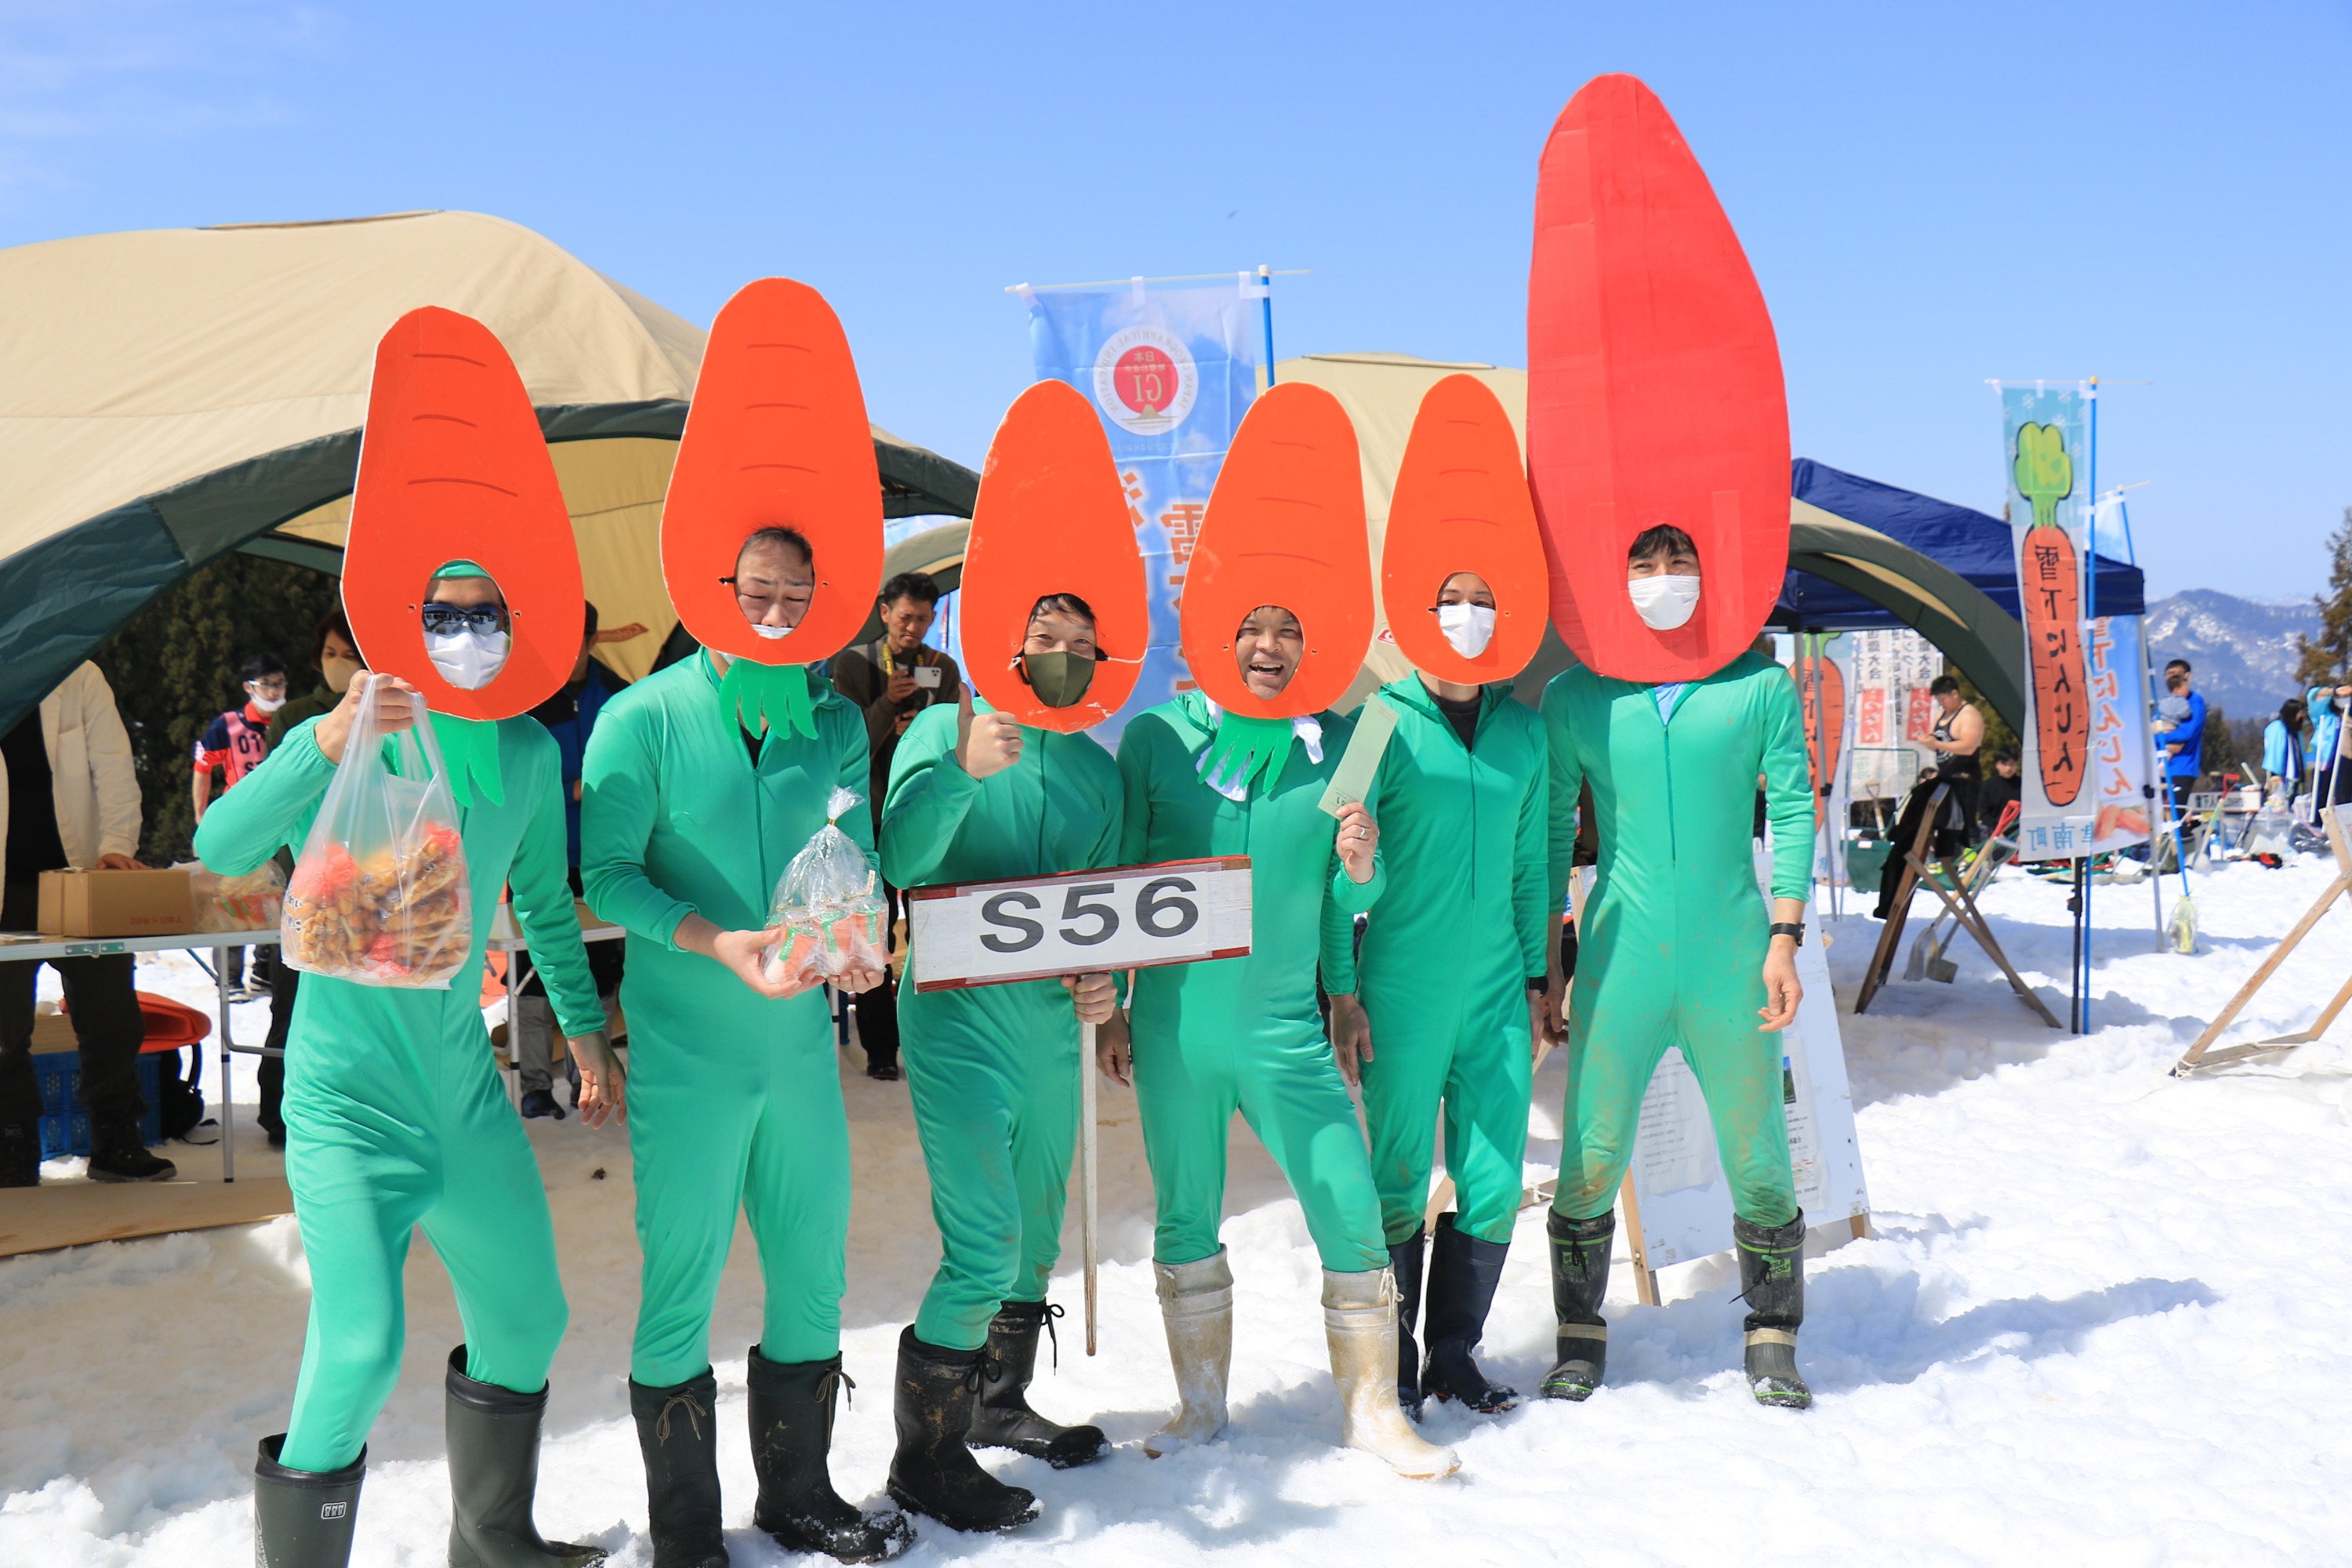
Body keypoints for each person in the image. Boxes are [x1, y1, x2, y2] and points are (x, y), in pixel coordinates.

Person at [195, 563, 619, 1567]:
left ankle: (493, 1543)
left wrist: (586, 1027)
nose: (465, 631)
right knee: (359, 1346)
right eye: (443, 613)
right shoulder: (352, 732)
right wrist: (322, 741)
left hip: (462, 1095)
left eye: (486, 614)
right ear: (404, 621)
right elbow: (221, 845)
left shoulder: (521, 749)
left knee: (528, 1317)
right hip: (348, 1100)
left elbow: (543, 903)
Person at [583, 527, 910, 1566]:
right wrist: (714, 941)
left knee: (814, 1271)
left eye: (795, 592)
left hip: (802, 1052)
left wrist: (859, 944)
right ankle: (684, 1529)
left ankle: (799, 1494)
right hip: (690, 1054)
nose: (775, 607)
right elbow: (607, 876)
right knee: (681, 1282)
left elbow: (848, 864)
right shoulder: (644, 718)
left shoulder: (830, 722)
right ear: (716, 590)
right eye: (756, 588)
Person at [1102, 604, 1460, 1480]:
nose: (1267, 646)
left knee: (1348, 1196)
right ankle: (1198, 1406)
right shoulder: (1158, 735)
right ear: (1216, 637)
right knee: (1186, 1208)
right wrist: (1111, 1004)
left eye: (1290, 629)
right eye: (1250, 626)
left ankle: (1374, 1409)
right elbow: (1116, 883)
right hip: (1174, 1023)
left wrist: (1361, 867)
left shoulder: (1352, 742)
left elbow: (1343, 897)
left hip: (1283, 1029)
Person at [1539, 524, 1816, 1410]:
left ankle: (1773, 1335)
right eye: (1643, 565)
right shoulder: (1576, 696)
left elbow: (1797, 807)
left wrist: (1784, 935)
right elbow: (1551, 827)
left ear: (1713, 571)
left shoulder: (1759, 685)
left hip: (1731, 951)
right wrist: (1551, 956)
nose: (1662, 579)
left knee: (1757, 1148)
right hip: (1620, 951)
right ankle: (1579, 1334)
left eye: (1680, 561)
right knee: (1588, 1148)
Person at [878, 593, 1121, 1532]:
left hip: (1051, 1033)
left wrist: (1108, 993)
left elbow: (1105, 914)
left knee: (1034, 1236)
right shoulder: (946, 724)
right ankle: (925, 1455)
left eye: (1080, 645)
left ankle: (994, 1400)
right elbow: (901, 857)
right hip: (955, 1024)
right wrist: (957, 770)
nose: (1062, 656)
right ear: (1006, 645)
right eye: (1044, 640)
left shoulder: (1097, 776)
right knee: (982, 1242)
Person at [1337, 569, 1548, 1417]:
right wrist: (1344, 989)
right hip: (1400, 982)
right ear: (1419, 618)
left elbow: (1534, 867)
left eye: (1484, 600)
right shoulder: (1372, 723)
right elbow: (1339, 876)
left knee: (1493, 1176)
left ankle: (1455, 1354)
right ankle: (1392, 1360)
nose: (1467, 615)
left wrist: (1539, 979)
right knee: (1394, 1175)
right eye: (1452, 597)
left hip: (1498, 986)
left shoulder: (1525, 731)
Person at [0, 663, 172, 1186]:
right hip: (5, 885)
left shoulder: (77, 670)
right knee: (3, 1028)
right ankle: (12, 1141)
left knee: (113, 1018)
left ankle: (117, 1137)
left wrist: (117, 847)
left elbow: (115, 766)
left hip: (82, 877)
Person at [826, 572, 962, 1080]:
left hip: (927, 822)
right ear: (884, 612)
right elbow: (845, 743)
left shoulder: (942, 668)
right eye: (904, 617)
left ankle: (941, 1037)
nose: (913, 628)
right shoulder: (854, 664)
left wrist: (921, 728)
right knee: (874, 937)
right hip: (870, 823)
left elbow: (952, 739)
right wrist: (887, 706)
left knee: (938, 932)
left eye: (923, 619)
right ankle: (882, 1049)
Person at [256, 612, 366, 1148]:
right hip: (309, 885)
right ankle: (277, 1112)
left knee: (356, 1005)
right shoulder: (299, 717)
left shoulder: (394, 714)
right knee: (293, 997)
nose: (337, 663)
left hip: (374, 889)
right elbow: (278, 799)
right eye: (329, 653)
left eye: (348, 653)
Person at [514, 601, 626, 1121]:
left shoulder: (622, 698)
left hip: (604, 859)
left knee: (602, 972)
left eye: (573, 640)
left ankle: (589, 1077)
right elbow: (512, 782)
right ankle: (534, 1084)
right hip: (538, 860)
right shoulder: (525, 701)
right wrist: (569, 790)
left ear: (591, 639)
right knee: (534, 974)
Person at [194, 653, 290, 1003]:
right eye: (268, 684)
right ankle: (230, 978)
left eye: (280, 682)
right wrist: (201, 818)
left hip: (284, 821)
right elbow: (202, 767)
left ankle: (265, 972)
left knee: (278, 899)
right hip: (243, 823)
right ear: (249, 688)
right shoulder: (227, 725)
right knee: (233, 901)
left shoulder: (292, 719)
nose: (276, 690)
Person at [1874, 672, 1980, 913]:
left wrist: (1938, 744)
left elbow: (1968, 745)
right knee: (1918, 799)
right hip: (1945, 778)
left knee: (1924, 801)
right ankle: (1904, 837)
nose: (1940, 704)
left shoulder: (1969, 714)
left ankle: (1924, 841)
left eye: (1943, 698)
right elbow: (1935, 737)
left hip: (1963, 781)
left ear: (1954, 694)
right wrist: (1929, 739)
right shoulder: (1943, 715)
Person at [2155, 660, 2208, 826]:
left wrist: (2160, 736)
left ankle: (2184, 843)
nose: (2173, 678)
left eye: (2177, 674)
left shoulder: (2194, 702)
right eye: (2169, 675)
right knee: (2159, 815)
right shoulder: (2164, 703)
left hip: (2182, 767)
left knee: (2176, 813)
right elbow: (2151, 731)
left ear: (2187, 677)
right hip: (2159, 766)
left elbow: (2187, 733)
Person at [2264, 698, 2309, 800]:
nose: (2301, 715)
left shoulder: (2296, 729)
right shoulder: (2277, 727)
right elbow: (2274, 751)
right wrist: (2276, 771)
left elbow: (2300, 750)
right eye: (2299, 713)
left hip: (2295, 773)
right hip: (2280, 772)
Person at [1978, 748, 2023, 840]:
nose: (2009, 768)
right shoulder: (1987, 786)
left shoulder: (2023, 784)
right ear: (1997, 765)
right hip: (1995, 833)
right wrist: (1997, 831)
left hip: (2019, 833)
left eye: (2012, 764)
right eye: (2005, 764)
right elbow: (1984, 813)